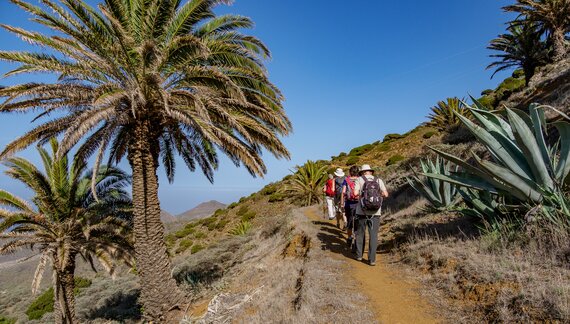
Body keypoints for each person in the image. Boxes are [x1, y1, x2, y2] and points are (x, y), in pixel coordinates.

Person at [353, 164, 389, 266]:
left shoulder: (359, 179)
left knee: (360, 233)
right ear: (370, 172)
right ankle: (372, 259)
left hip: (362, 211)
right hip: (376, 213)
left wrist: (362, 195)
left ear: (363, 172)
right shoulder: (378, 180)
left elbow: (355, 193)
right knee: (373, 235)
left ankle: (359, 255)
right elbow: (386, 194)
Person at [341, 166, 360, 250]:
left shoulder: (346, 180)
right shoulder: (360, 179)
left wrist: (342, 204)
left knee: (349, 221)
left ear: (350, 172)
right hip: (359, 204)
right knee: (357, 223)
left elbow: (343, 192)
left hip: (348, 204)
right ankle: (356, 241)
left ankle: (349, 238)